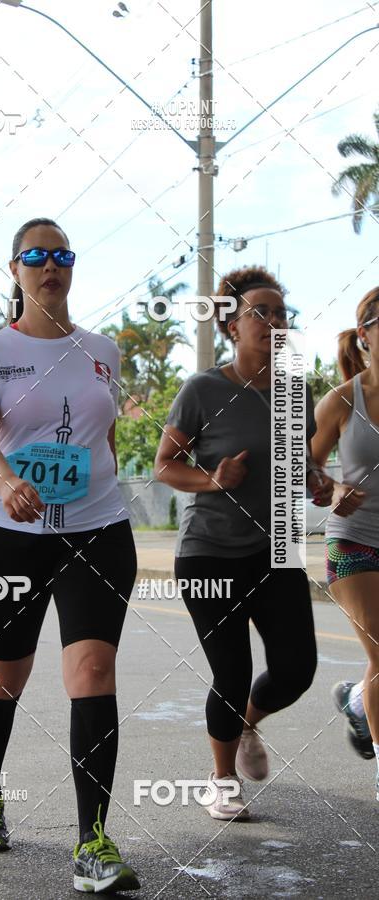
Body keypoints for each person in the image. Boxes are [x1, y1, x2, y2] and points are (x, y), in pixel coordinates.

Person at [0, 217, 139, 894]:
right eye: (34, 255)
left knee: (92, 669)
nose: (49, 264)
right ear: (15, 270)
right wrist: (6, 482)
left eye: (61, 254)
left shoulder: (103, 350)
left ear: (71, 267)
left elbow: (107, 439)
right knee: (6, 676)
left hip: (97, 530)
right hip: (6, 537)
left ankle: (92, 841)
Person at [155, 266, 333, 820]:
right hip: (209, 551)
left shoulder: (294, 392)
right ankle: (221, 778)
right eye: (263, 312)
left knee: (297, 669)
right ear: (232, 325)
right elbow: (164, 467)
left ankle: (248, 722)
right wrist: (213, 479)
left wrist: (318, 483)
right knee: (230, 672)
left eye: (283, 314)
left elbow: (298, 465)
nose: (275, 322)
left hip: (275, 549)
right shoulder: (203, 389)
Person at [311, 286, 379, 800]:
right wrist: (331, 487)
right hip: (353, 540)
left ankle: (358, 701)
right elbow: (300, 463)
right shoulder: (342, 400)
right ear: (366, 336)